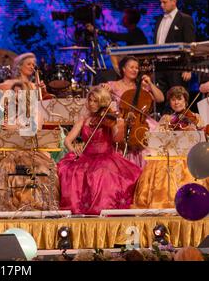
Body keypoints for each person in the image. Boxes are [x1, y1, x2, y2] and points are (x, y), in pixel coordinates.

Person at [57, 86, 141, 215]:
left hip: (106, 156)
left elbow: (117, 140)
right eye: (90, 100)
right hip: (87, 157)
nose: (91, 104)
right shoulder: (83, 120)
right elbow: (67, 140)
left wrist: (115, 125)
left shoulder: (109, 118)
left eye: (95, 101)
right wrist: (74, 151)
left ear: (102, 102)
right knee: (72, 172)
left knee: (102, 173)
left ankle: (101, 208)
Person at [0, 81, 60, 212]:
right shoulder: (8, 111)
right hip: (6, 151)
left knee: (30, 169)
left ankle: (28, 204)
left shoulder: (34, 112)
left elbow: (35, 131)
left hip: (28, 151)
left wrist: (16, 127)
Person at [132, 86, 208, 209]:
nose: (176, 102)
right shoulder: (166, 119)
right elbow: (158, 139)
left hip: (190, 155)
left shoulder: (195, 117)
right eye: (173, 99)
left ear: (185, 101)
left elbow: (203, 137)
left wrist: (192, 130)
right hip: (170, 155)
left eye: (179, 99)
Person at [101, 56, 164, 168]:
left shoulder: (142, 86)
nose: (135, 70)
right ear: (123, 69)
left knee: (153, 139)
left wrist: (150, 84)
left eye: (137, 68)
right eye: (132, 67)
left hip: (141, 121)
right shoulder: (113, 85)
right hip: (122, 121)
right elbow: (98, 97)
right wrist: (104, 89)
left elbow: (160, 99)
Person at [154, 0, 196, 101]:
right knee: (160, 99)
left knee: (177, 99)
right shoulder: (159, 20)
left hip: (177, 67)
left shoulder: (185, 19)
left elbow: (190, 44)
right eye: (161, 2)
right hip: (160, 66)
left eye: (164, 2)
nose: (161, 5)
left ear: (174, 1)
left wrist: (188, 68)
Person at [87, 8, 148, 82]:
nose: (122, 19)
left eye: (124, 17)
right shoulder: (135, 32)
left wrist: (98, 31)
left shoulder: (136, 33)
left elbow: (118, 36)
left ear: (128, 19)